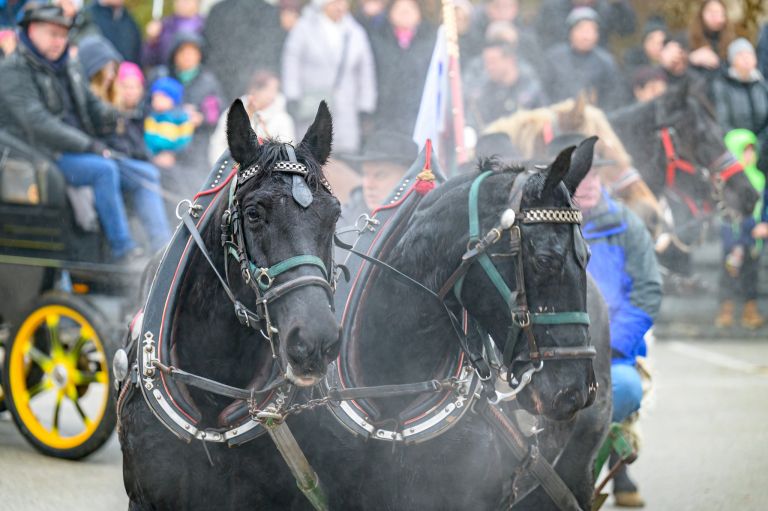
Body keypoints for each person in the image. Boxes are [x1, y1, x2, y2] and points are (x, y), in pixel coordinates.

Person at [0, 4, 169, 260]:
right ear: (32, 30)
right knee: (104, 170)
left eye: (63, 34)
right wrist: (88, 145)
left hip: (80, 149)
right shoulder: (13, 71)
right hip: (43, 155)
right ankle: (122, 249)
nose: (59, 41)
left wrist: (119, 115)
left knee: (145, 173)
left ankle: (165, 250)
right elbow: (38, 123)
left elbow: (91, 104)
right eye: (52, 34)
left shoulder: (69, 65)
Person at [551, 133, 661, 508]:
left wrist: (612, 343)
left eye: (596, 176)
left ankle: (588, 477)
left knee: (625, 390)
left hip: (615, 353)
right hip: (556, 355)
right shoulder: (544, 227)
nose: (591, 185)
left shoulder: (627, 225)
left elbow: (648, 292)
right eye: (582, 178)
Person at [282, 0, 376, 154]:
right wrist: (292, 95)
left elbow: (366, 70)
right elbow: (292, 62)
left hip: (346, 107)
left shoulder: (355, 32)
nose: (340, 6)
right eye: (334, 2)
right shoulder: (304, 28)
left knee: (345, 159)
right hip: (313, 103)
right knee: (312, 153)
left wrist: (366, 105)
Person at [716, 129, 768, 329]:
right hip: (733, 234)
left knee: (751, 273)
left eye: (752, 151)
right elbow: (723, 212)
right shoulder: (727, 182)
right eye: (744, 151)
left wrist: (765, 224)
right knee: (729, 271)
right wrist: (732, 240)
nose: (749, 156)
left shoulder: (759, 179)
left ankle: (750, 310)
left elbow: (765, 206)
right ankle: (726, 309)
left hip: (753, 235)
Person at [337, 130, 417, 254]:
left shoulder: (421, 221)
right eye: (365, 174)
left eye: (380, 175)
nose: (368, 185)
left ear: (408, 177)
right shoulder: (344, 220)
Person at [161, 31, 223, 175]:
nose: (187, 56)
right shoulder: (163, 79)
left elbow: (218, 112)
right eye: (183, 51)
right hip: (164, 141)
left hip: (197, 144)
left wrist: (202, 118)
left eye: (192, 52)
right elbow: (148, 109)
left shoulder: (208, 82)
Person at [369, 0, 434, 137]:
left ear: (419, 14)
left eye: (410, 8)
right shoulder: (377, 39)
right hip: (385, 112)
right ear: (390, 14)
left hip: (418, 112)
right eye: (399, 8)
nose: (405, 12)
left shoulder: (431, 41)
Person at [542, 7, 628, 111]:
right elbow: (543, 92)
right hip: (558, 116)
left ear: (597, 34)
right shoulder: (554, 58)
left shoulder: (606, 62)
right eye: (581, 29)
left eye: (591, 30)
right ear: (570, 32)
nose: (586, 36)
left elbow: (613, 97)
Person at [208, 69, 295, 165]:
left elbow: (286, 152)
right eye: (268, 89)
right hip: (233, 172)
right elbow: (218, 144)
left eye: (275, 90)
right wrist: (226, 169)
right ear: (255, 89)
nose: (272, 95)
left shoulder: (283, 119)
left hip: (268, 174)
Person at [203, 0, 283, 100]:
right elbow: (210, 49)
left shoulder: (269, 12)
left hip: (258, 89)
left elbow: (273, 49)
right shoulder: (217, 11)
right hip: (222, 86)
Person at [467, 41, 547, 130]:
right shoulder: (483, 92)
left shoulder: (530, 88)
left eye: (493, 61)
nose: (489, 67)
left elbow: (544, 120)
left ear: (510, 60)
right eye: (486, 62)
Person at [712, 39, 768, 149]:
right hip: (736, 147)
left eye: (749, 54)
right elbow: (722, 122)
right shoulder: (722, 85)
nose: (746, 58)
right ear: (732, 60)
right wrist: (745, 145)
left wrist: (761, 143)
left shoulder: (762, 85)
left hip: (764, 147)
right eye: (740, 55)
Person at [535, 0, 636, 50]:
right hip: (558, 69)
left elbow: (627, 30)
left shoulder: (604, 7)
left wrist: (620, 4)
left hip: (596, 70)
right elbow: (539, 39)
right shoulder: (552, 7)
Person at [142, 0, 204, 69]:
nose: (183, 2)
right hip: (168, 74)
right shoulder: (163, 26)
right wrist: (152, 41)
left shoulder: (206, 26)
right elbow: (148, 60)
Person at [687, 0, 736, 82]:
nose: (715, 16)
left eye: (719, 12)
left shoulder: (732, 42)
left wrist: (718, 63)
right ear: (701, 14)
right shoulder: (688, 38)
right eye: (711, 12)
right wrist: (691, 59)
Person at [77, 34, 121, 104]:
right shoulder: (79, 104)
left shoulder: (113, 103)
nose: (112, 75)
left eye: (113, 69)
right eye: (106, 70)